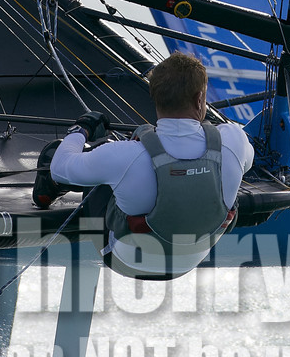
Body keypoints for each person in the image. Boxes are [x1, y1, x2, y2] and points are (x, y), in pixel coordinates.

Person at [34, 52, 254, 279]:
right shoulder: (233, 140)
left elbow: (60, 168)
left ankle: (48, 189)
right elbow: (246, 162)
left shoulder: (124, 155)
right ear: (200, 99)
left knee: (101, 157)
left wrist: (81, 129)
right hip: (188, 264)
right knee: (228, 185)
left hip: (125, 262)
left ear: (155, 97)